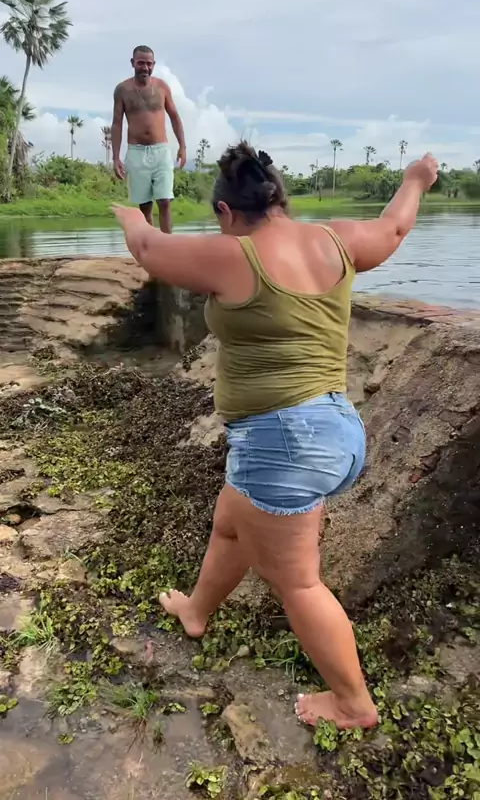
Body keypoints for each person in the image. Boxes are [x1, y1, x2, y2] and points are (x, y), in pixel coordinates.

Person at [112, 143, 438, 730]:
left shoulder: (233, 254)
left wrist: (131, 215)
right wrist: (415, 179)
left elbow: (149, 250)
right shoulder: (337, 239)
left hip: (285, 443)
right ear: (280, 199)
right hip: (337, 428)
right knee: (231, 521)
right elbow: (394, 228)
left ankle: (352, 702)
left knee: (298, 582)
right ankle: (196, 611)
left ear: (225, 210)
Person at [111, 45, 187, 233]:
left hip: (161, 150)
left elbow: (174, 117)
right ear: (132, 63)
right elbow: (117, 123)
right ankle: (149, 244)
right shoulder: (122, 90)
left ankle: (167, 244)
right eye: (141, 63)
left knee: (165, 201)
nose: (145, 67)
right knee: (145, 205)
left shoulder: (162, 87)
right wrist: (116, 157)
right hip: (136, 152)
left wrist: (182, 146)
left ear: (153, 64)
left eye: (149, 63)